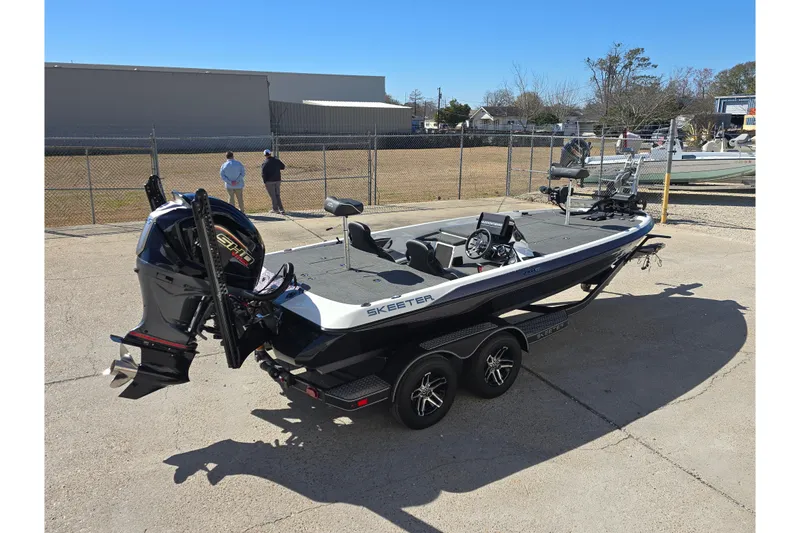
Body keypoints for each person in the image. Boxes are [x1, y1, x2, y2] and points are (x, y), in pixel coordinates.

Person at [261, 149, 286, 214]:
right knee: (277, 195)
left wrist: (265, 182)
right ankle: (281, 209)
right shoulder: (276, 160)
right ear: (270, 153)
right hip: (277, 180)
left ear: (264, 155)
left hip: (269, 181)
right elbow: (283, 167)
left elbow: (263, 173)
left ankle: (275, 209)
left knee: (273, 196)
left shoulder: (265, 163)